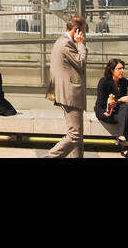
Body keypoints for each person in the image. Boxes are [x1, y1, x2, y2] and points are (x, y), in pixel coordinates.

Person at [44, 16, 88, 158]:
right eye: (83, 32)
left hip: (68, 92)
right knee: (74, 135)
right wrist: (81, 44)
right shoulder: (66, 44)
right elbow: (81, 63)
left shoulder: (62, 42)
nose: (83, 36)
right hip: (70, 93)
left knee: (78, 134)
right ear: (76, 30)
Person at [94, 57, 128, 156]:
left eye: (123, 68)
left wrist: (125, 100)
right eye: (119, 68)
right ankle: (125, 149)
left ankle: (121, 137)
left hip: (118, 112)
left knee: (126, 109)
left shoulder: (124, 82)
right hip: (105, 112)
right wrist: (118, 101)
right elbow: (100, 103)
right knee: (127, 116)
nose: (122, 71)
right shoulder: (104, 82)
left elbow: (121, 103)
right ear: (112, 70)